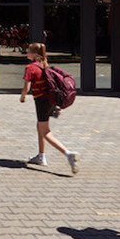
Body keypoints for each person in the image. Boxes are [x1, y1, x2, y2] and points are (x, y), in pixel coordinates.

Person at [19, 42, 78, 173]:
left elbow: (26, 87)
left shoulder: (30, 67)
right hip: (50, 100)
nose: (26, 52)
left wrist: (22, 96)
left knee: (45, 131)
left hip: (42, 102)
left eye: (28, 50)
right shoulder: (43, 64)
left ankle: (69, 154)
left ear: (34, 54)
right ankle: (41, 156)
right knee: (40, 126)